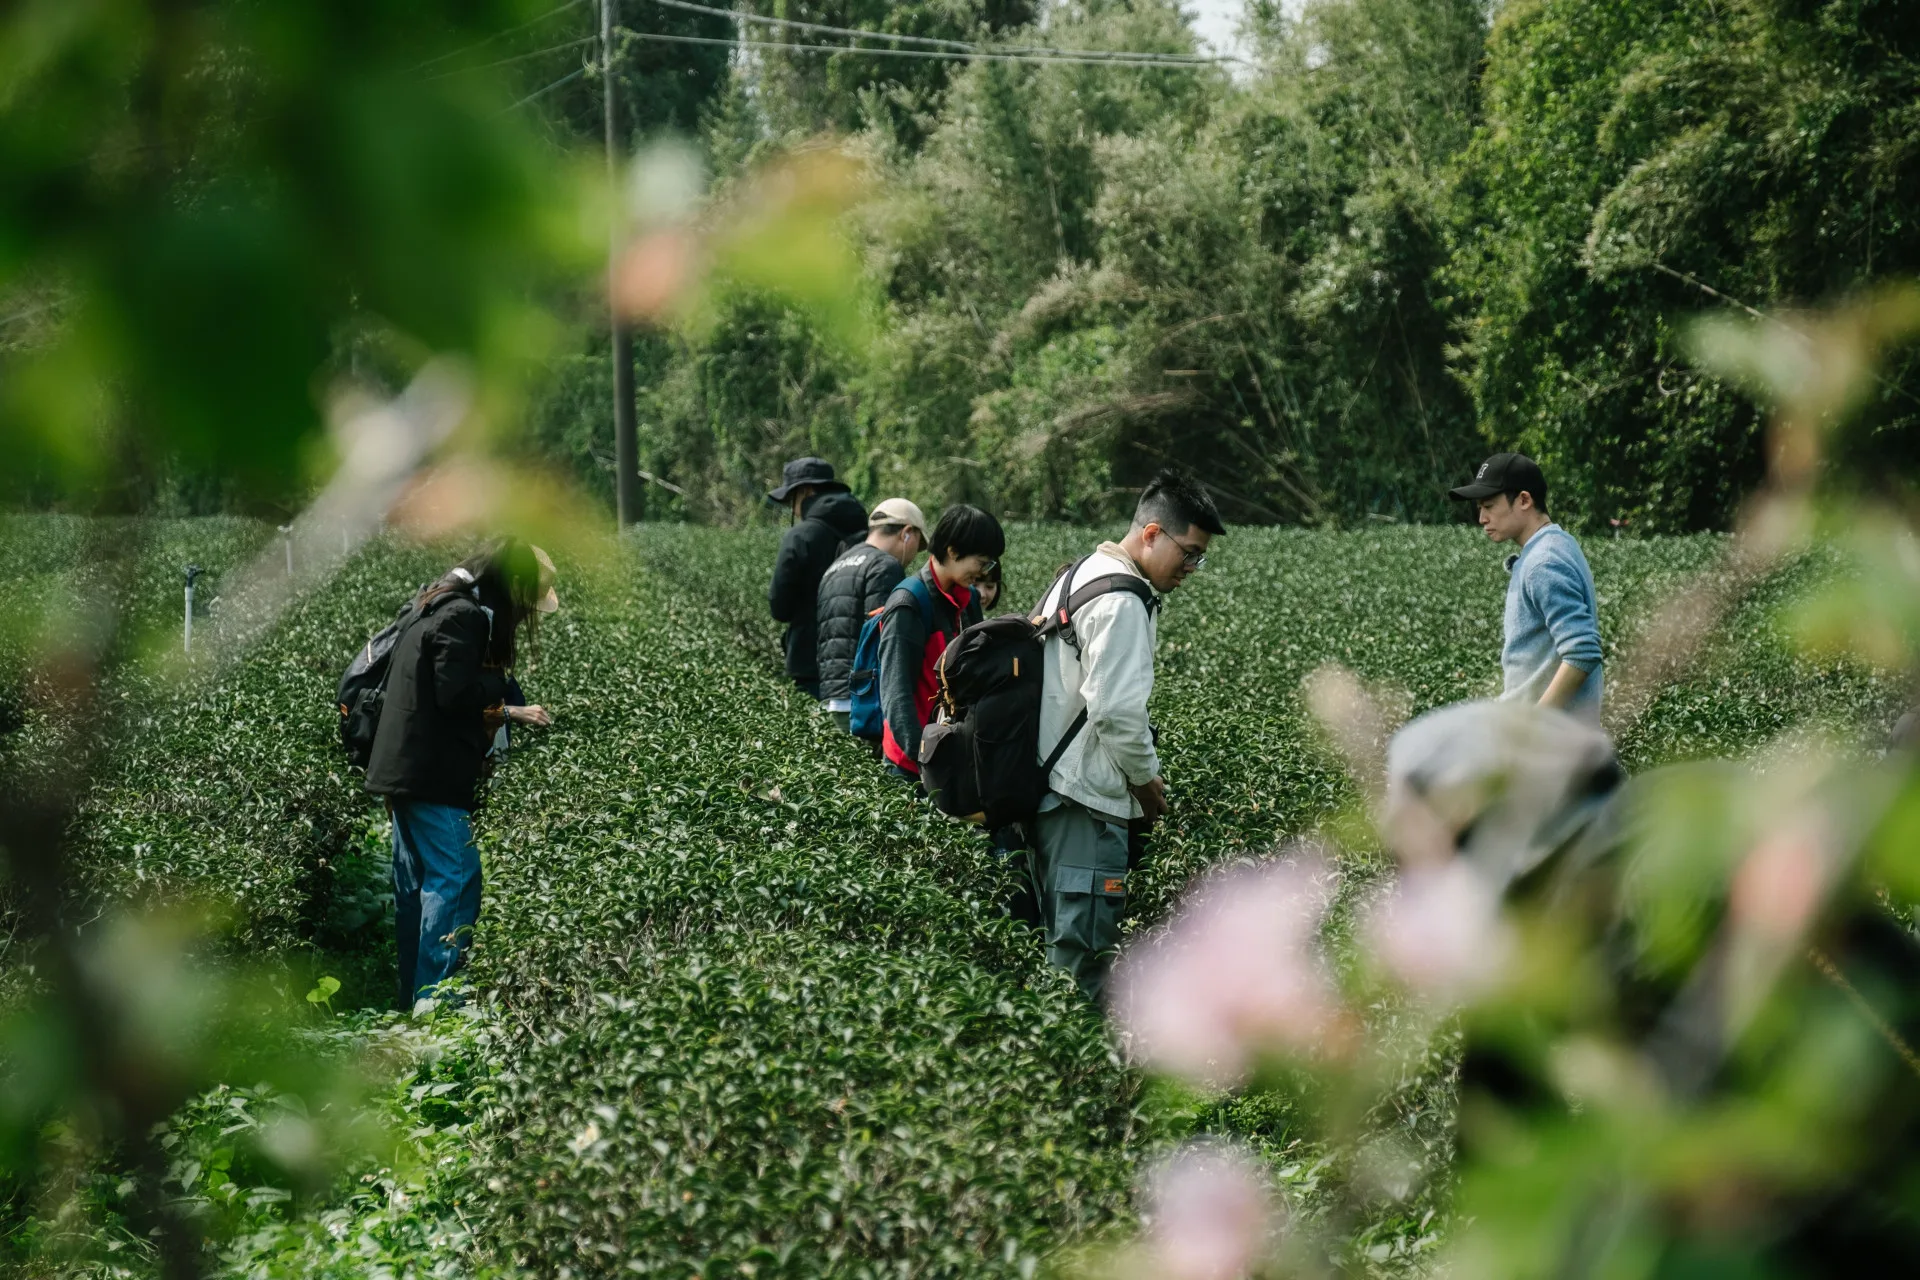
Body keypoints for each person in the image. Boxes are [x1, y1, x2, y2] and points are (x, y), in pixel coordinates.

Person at [1031, 469, 1223, 1002]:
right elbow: (1115, 712)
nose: (1191, 568)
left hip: (1052, 792)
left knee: (1060, 946)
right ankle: (1076, 1082)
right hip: (1084, 801)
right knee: (1082, 964)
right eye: (1188, 553)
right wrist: (1146, 782)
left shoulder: (1081, 572)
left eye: (1199, 558)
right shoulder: (1122, 599)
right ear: (1153, 533)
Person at [366, 539, 558, 1011]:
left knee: (415, 887)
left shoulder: (438, 603)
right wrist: (499, 686)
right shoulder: (464, 617)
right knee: (455, 878)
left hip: (408, 769)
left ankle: (413, 998)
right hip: (430, 771)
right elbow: (454, 694)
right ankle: (438, 1008)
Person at [1449, 453, 1604, 723]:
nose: (1482, 518)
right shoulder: (1559, 543)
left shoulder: (1542, 563)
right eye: (1479, 508)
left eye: (1489, 506)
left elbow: (1582, 651)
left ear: (1524, 500)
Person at [878, 504, 1002, 783]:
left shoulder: (967, 599)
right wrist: (924, 759)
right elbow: (896, 695)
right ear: (953, 551)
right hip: (913, 765)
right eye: (982, 563)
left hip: (951, 753)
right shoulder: (908, 603)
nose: (984, 573)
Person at [816, 497, 929, 741]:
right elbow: (883, 637)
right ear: (907, 533)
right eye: (917, 545)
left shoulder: (837, 565)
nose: (913, 557)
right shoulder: (884, 566)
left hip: (833, 695)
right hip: (864, 700)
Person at [767, 457, 868, 698]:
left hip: (810, 661)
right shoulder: (867, 530)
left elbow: (779, 607)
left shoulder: (802, 536)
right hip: (860, 658)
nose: (792, 508)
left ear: (806, 491)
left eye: (793, 499)